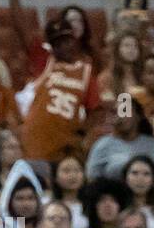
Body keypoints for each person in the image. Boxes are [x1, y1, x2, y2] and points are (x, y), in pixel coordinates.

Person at [19, 18, 98, 162]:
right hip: (36, 136)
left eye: (67, 41)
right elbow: (22, 30)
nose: (64, 47)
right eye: (58, 44)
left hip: (65, 140)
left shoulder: (86, 72)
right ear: (51, 47)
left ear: (75, 41)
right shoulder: (44, 63)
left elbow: (95, 111)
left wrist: (83, 133)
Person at [86, 99, 154, 181]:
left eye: (125, 111)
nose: (121, 116)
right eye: (116, 112)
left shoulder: (151, 144)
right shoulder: (102, 144)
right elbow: (91, 179)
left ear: (138, 116)